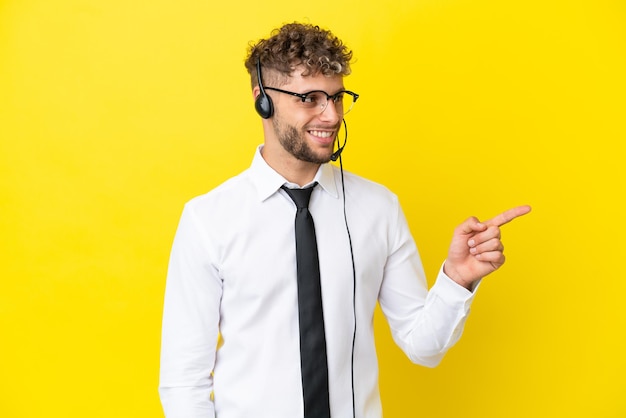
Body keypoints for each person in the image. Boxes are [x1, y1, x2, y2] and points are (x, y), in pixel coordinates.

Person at [158, 22, 531, 418]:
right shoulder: (208, 219)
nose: (331, 115)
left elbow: (423, 348)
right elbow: (185, 382)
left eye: (337, 98)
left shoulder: (379, 208)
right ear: (262, 100)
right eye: (310, 98)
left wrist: (457, 279)